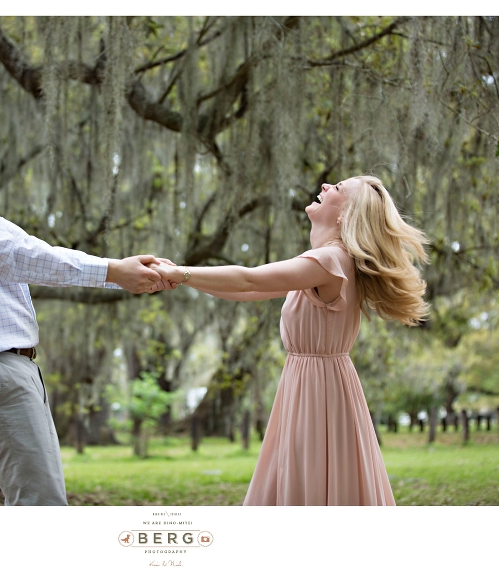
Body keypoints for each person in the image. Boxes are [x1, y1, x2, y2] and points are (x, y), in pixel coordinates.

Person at [0, 92, 172, 505]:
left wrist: (119, 273)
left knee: (41, 501)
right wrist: (113, 271)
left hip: (6, 369)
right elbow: (14, 257)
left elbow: (25, 245)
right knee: (40, 506)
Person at [153, 175, 429, 505]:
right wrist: (184, 279)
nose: (326, 185)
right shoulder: (332, 260)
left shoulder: (330, 260)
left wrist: (181, 273)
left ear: (345, 215)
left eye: (337, 189)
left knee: (308, 472)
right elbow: (251, 291)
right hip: (317, 381)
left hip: (317, 387)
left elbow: (246, 278)